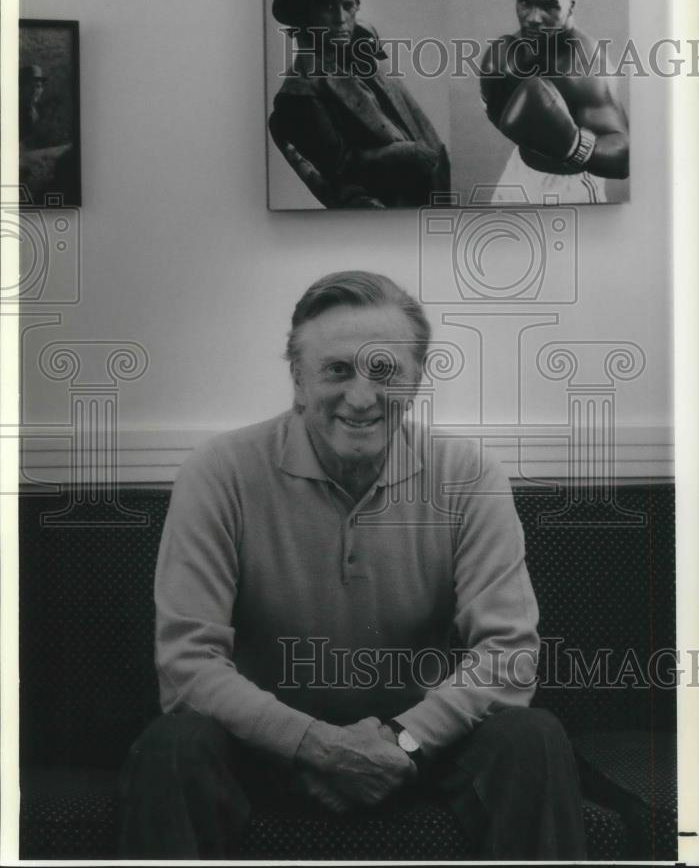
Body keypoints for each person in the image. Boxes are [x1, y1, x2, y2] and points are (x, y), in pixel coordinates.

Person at [118, 270, 587, 860]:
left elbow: (508, 655)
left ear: (418, 378)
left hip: (419, 748)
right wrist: (315, 745)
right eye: (337, 370)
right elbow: (187, 665)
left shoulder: (469, 474)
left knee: (532, 738)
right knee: (173, 745)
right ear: (296, 378)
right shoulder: (219, 472)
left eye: (385, 371)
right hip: (266, 751)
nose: (361, 397)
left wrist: (401, 741)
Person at [268, 0, 450, 209]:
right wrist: (404, 154)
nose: (341, 19)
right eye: (328, 7)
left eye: (348, 5)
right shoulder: (299, 94)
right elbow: (339, 170)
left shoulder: (365, 54)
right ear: (306, 16)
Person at [480, 0, 629, 205]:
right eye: (525, 2)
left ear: (571, 4)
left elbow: (624, 156)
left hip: (571, 187)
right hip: (519, 170)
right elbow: (509, 120)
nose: (533, 18)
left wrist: (572, 144)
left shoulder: (587, 67)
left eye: (549, 6)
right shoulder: (514, 49)